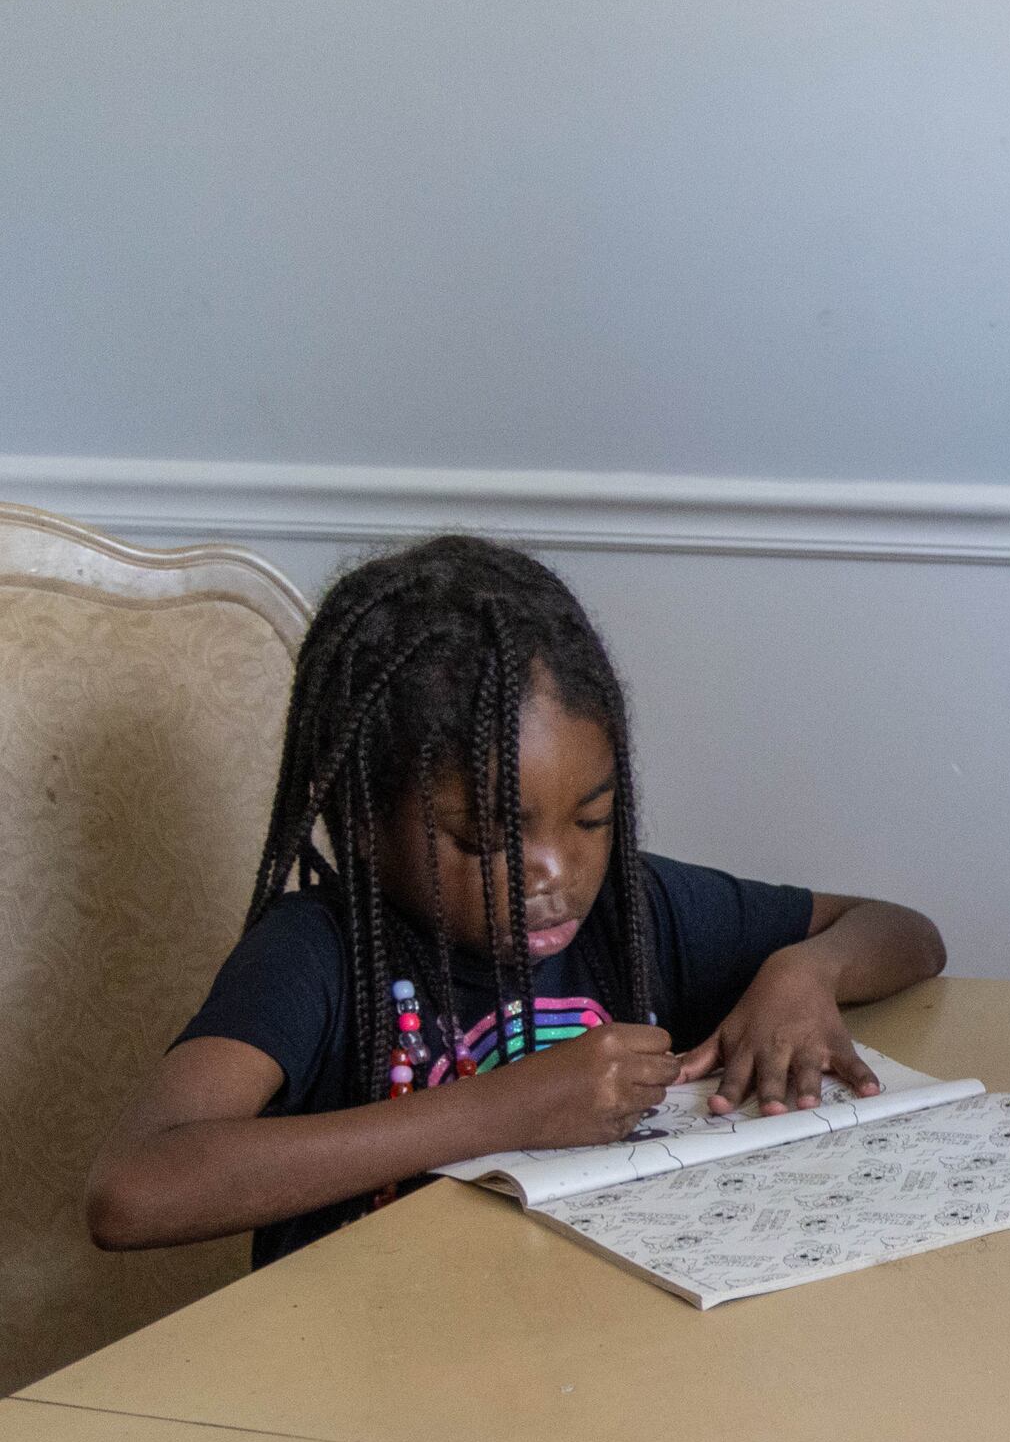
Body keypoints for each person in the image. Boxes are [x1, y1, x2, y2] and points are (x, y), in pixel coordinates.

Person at [83, 537, 945, 1266]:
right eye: (488, 839)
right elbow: (130, 1191)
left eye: (593, 819)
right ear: (363, 817)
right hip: (366, 1368)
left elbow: (905, 933)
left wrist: (805, 972)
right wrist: (504, 1110)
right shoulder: (316, 954)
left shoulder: (635, 909)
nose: (556, 873)